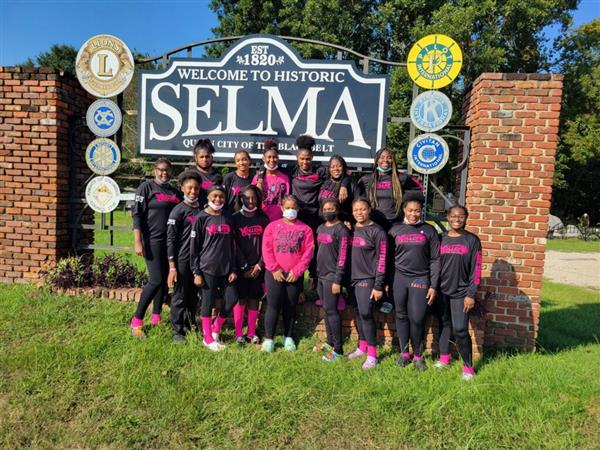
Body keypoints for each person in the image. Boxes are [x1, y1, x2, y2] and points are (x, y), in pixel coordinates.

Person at [286, 136, 350, 288]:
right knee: (297, 251)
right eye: (302, 158)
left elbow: (342, 174)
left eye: (308, 158)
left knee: (316, 250)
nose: (305, 162)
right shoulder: (292, 171)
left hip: (316, 218)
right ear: (297, 158)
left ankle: (316, 281)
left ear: (312, 157)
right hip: (297, 218)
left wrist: (344, 185)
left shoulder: (320, 171)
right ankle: (298, 287)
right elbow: (270, 167)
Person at [389, 191, 440, 371]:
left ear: (421, 211)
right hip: (399, 279)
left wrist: (433, 285)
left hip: (420, 278)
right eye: (410, 210)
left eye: (417, 211)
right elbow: (387, 258)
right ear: (404, 210)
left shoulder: (429, 230)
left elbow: (435, 259)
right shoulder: (394, 230)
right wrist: (387, 281)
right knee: (401, 316)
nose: (413, 214)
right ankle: (404, 353)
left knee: (417, 318)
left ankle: (418, 355)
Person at [130, 158, 182, 338]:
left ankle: (156, 317)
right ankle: (136, 321)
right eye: (160, 170)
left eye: (167, 170)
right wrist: (138, 241)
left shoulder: (175, 193)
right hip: (152, 240)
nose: (164, 173)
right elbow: (137, 215)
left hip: (171, 242)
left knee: (164, 281)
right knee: (156, 279)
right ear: (154, 170)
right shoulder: (146, 188)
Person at [261, 195, 314, 352]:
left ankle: (288, 337)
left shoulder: (305, 229)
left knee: (290, 305)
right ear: (282, 208)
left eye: (294, 208)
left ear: (298, 209)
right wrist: (274, 268)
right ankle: (269, 339)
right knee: (273, 305)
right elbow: (267, 249)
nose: (290, 210)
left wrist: (297, 271)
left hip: (294, 275)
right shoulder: (272, 227)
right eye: (287, 207)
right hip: (274, 274)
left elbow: (308, 253)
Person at [435, 204, 482, 381]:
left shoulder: (472, 240)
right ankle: (444, 358)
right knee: (444, 324)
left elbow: (476, 270)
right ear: (448, 216)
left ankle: (468, 368)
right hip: (441, 291)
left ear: (466, 217)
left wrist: (471, 294)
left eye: (461, 216)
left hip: (461, 293)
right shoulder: (441, 238)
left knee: (460, 329)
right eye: (453, 215)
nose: (457, 219)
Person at [190, 184, 238, 351]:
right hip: (207, 267)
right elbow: (194, 248)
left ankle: (216, 329)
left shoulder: (227, 217)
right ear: (208, 197)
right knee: (207, 303)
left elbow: (232, 246)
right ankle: (208, 338)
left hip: (226, 268)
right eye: (214, 196)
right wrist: (196, 272)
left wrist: (233, 269)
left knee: (232, 299)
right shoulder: (201, 218)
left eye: (221, 197)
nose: (218, 199)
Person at [347, 198, 387, 369]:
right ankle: (362, 347)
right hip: (353, 278)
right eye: (356, 210)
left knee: (366, 314)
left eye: (363, 209)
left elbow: (383, 259)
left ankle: (372, 355)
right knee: (358, 313)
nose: (359, 213)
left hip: (368, 278)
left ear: (369, 209)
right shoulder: (351, 229)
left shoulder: (377, 231)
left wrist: (378, 285)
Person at [166, 170, 203, 342]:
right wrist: (172, 266)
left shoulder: (202, 210)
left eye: (196, 188)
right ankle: (178, 331)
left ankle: (190, 324)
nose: (193, 192)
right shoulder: (177, 211)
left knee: (193, 295)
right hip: (182, 260)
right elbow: (171, 240)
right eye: (189, 188)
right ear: (182, 188)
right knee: (180, 295)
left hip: (198, 261)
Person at [232, 185, 270, 345]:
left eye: (253, 197)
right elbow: (233, 244)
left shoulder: (263, 219)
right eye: (247, 197)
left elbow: (267, 245)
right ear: (241, 199)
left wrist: (259, 265)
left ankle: (251, 332)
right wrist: (244, 266)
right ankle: (239, 333)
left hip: (258, 268)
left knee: (254, 298)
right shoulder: (234, 218)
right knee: (240, 299)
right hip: (241, 268)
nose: (250, 200)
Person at [314, 199, 351, 362]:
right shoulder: (320, 228)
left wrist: (338, 280)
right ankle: (329, 342)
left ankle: (338, 349)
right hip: (321, 275)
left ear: (337, 211)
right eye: (325, 208)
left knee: (332, 310)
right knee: (326, 309)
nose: (327, 211)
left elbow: (343, 256)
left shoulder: (341, 229)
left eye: (331, 208)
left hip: (332, 277)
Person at [356, 147, 421, 230]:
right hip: (373, 224)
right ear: (377, 160)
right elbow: (357, 200)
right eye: (382, 157)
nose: (385, 160)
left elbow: (417, 194)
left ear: (393, 161)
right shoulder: (366, 179)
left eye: (389, 158)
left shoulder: (402, 178)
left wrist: (406, 205)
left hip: (395, 224)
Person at [252, 139, 290, 222]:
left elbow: (286, 201)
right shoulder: (257, 177)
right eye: (269, 157)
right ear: (263, 158)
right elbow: (253, 198)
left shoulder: (284, 178)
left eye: (274, 157)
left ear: (278, 158)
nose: (272, 160)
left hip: (278, 219)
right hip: (260, 218)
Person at [318, 154, 355, 224]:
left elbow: (356, 205)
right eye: (333, 167)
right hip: (322, 224)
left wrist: (350, 222)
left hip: (340, 225)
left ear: (343, 167)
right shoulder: (324, 181)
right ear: (329, 169)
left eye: (339, 166)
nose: (336, 169)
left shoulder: (350, 184)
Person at [191, 138, 223, 207]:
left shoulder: (218, 175)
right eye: (201, 157)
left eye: (207, 156)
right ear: (196, 158)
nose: (204, 159)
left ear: (212, 157)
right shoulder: (190, 175)